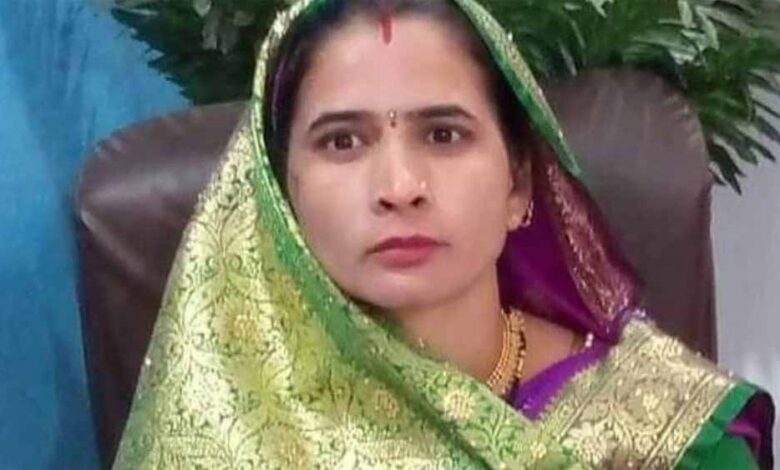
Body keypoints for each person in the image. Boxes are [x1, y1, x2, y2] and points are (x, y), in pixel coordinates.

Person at [112, 0, 774, 468]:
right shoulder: (220, 425)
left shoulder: (660, 438)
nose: (400, 185)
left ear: (519, 186)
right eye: (342, 141)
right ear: (282, 197)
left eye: (444, 134)